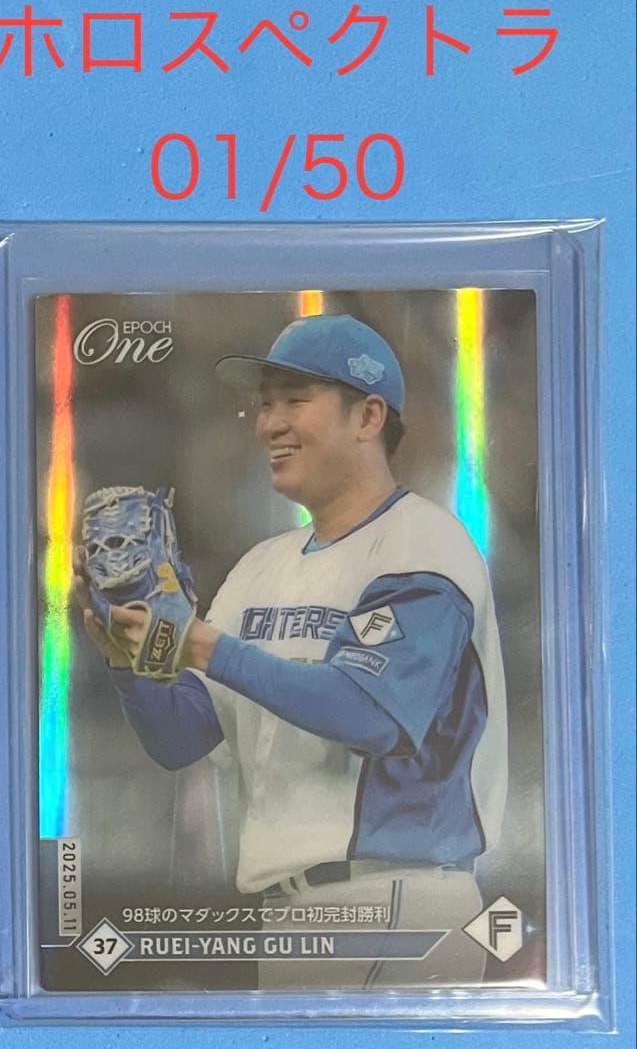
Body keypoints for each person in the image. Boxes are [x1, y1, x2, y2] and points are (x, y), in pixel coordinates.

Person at [74, 313, 507, 989]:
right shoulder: (260, 566)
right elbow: (183, 738)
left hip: (398, 896)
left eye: (294, 401)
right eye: (265, 404)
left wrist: (205, 646)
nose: (269, 424)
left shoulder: (423, 545)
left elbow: (370, 714)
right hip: (288, 910)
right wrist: (131, 663)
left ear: (368, 417)